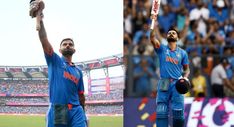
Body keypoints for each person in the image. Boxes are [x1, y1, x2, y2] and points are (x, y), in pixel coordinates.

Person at [29, 1, 87, 127]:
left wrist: (84, 112)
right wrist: (40, 19)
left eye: (70, 44)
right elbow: (44, 39)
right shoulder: (55, 60)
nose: (68, 45)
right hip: (59, 109)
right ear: (60, 50)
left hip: (77, 110)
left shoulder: (78, 71)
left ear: (74, 50)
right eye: (64, 44)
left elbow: (81, 95)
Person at [150, 18, 190, 127]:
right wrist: (153, 22)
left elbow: (187, 69)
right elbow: (152, 38)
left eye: (174, 33)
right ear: (166, 37)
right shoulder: (162, 49)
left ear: (178, 38)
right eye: (169, 33)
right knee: (161, 111)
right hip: (164, 83)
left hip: (177, 84)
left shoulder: (183, 53)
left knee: (178, 114)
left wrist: (185, 78)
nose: (171, 34)